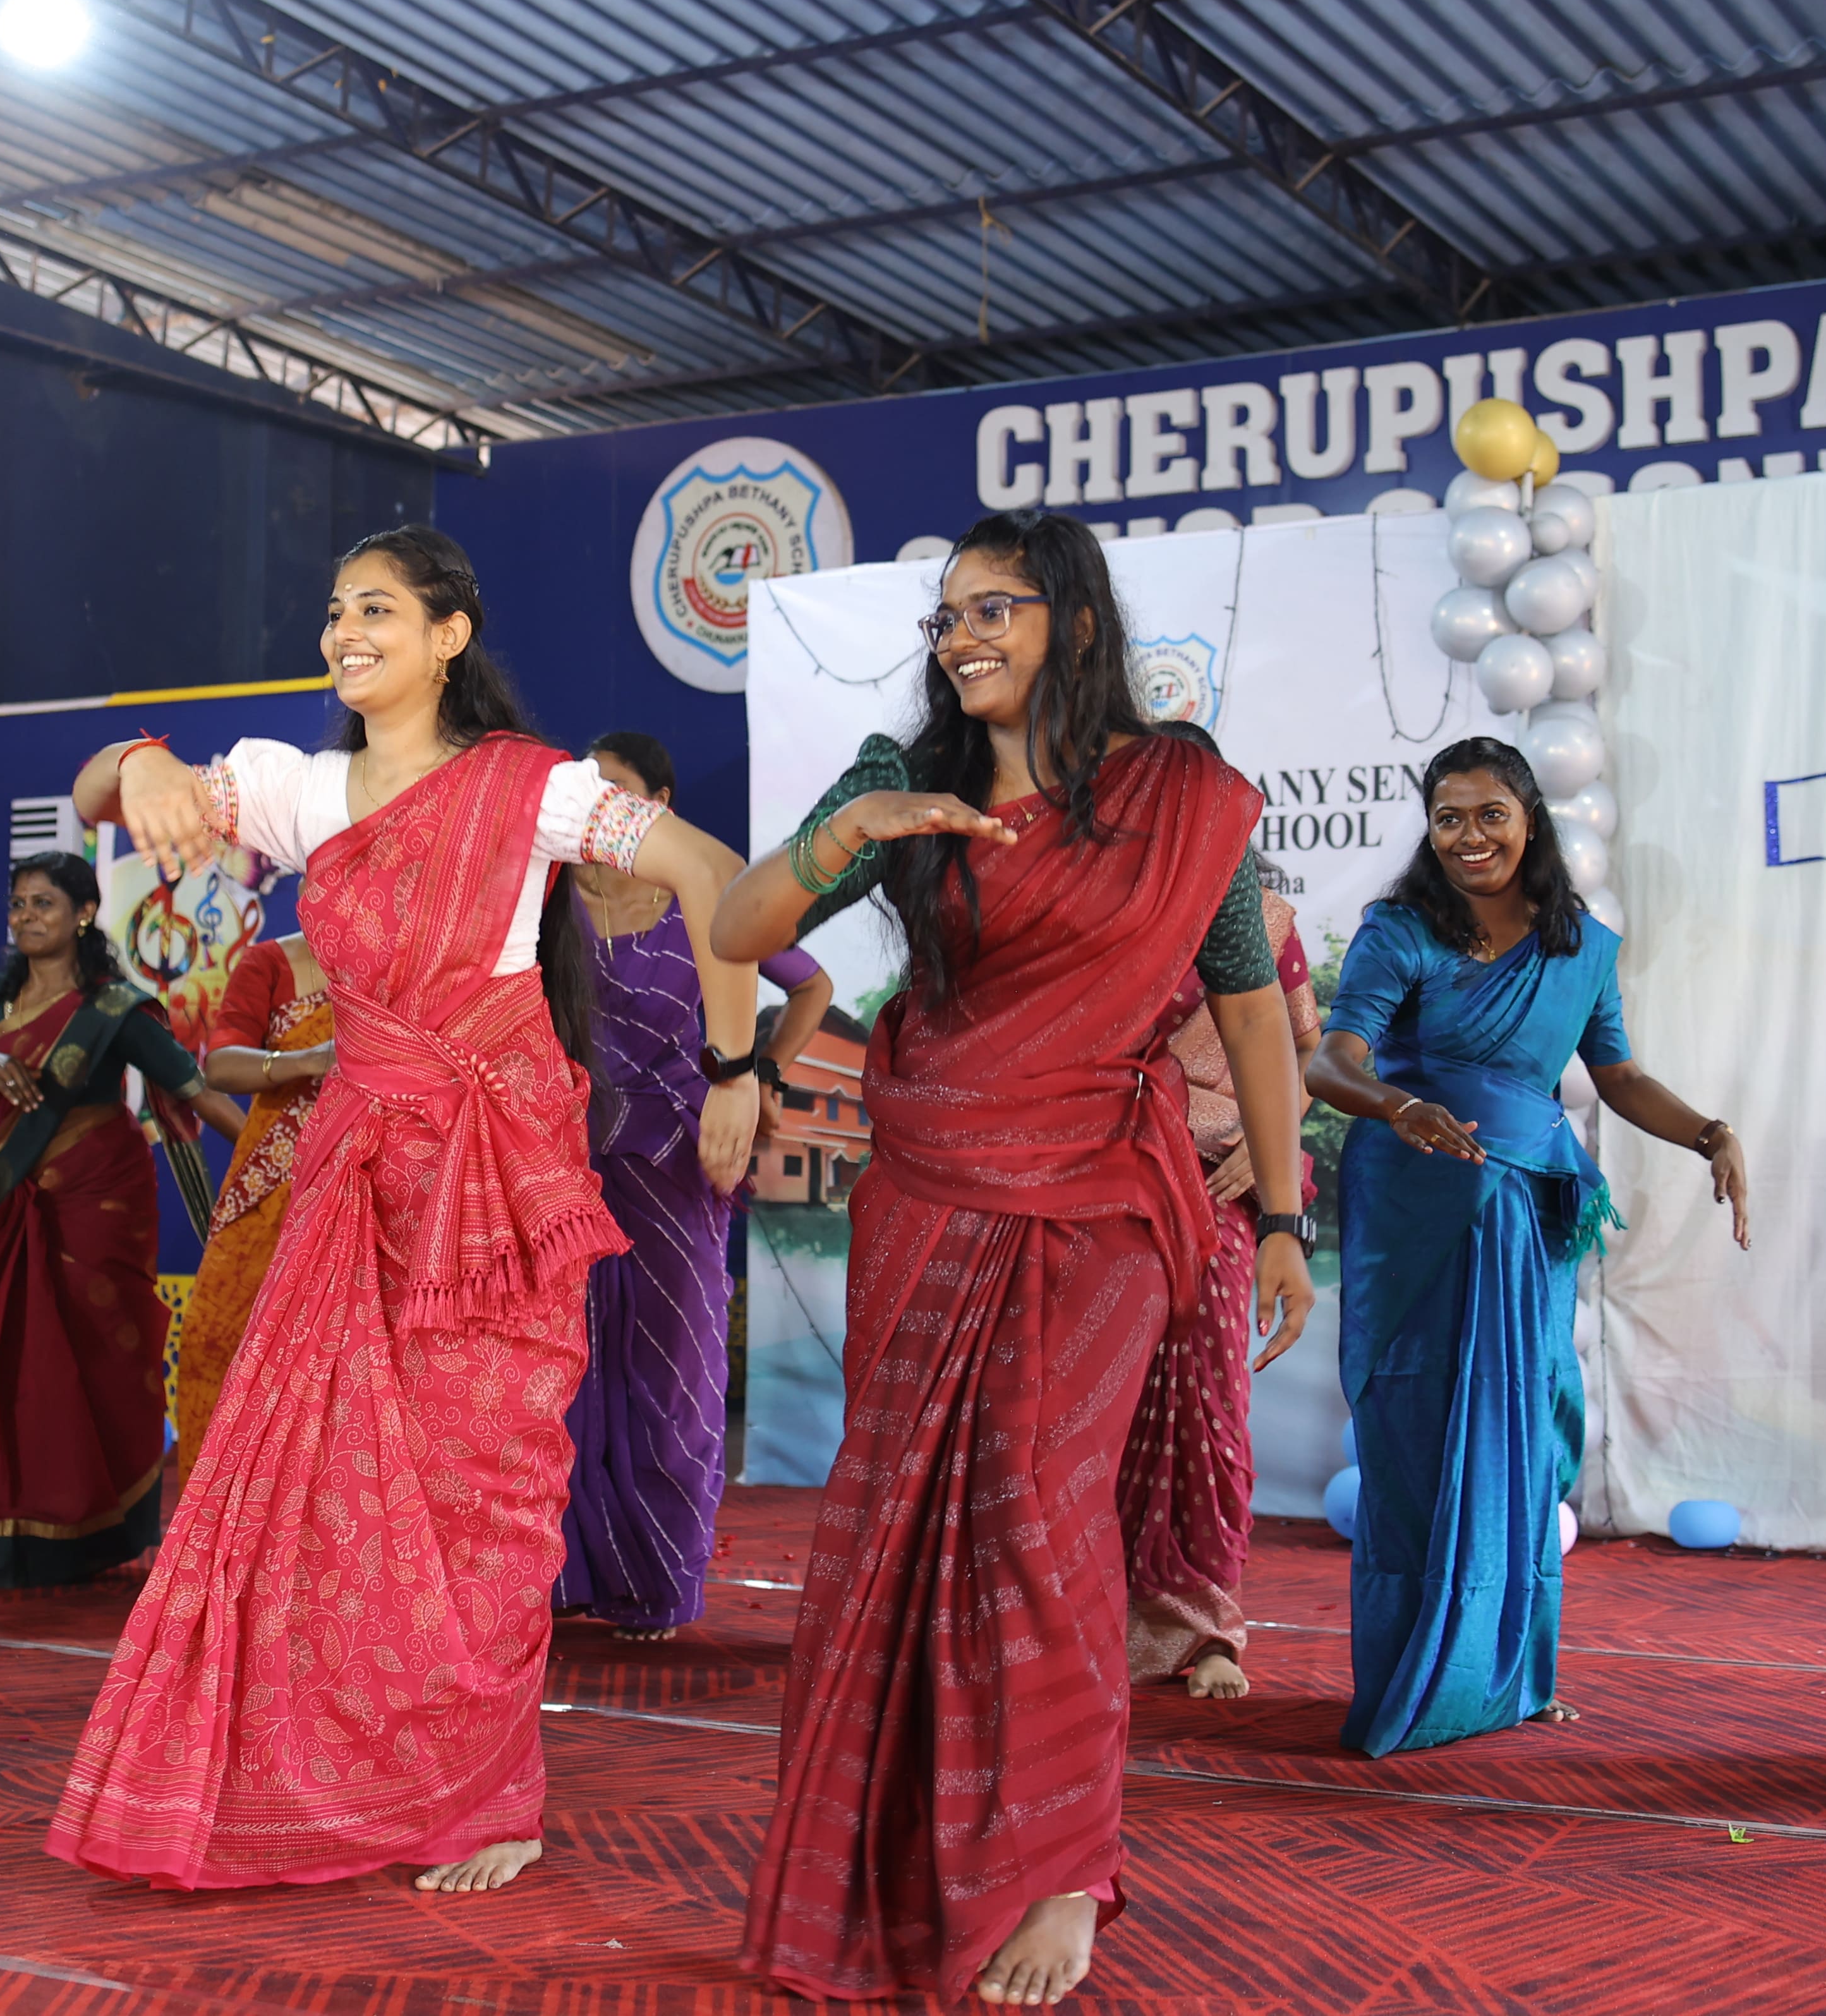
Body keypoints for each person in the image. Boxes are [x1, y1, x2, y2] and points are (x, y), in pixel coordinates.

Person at [46, 524, 763, 1897]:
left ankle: (489, 1795)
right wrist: (138, 764)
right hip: (361, 1173)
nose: (345, 632)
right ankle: (338, 1770)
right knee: (331, 1488)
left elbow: (708, 870)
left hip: (497, 1174)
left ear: (448, 637)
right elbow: (94, 793)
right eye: (334, 610)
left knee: (485, 1490)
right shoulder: (301, 790)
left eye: (376, 608)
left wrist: (734, 1069)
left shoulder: (531, 788)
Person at [715, 508, 1315, 2009]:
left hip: (1100, 1202)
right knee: (903, 1523)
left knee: (1038, 1513)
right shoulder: (900, 779)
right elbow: (736, 923)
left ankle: (1060, 1866)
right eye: (949, 613)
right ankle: (912, 1840)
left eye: (999, 606)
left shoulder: (1179, 795)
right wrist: (857, 827)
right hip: (927, 1191)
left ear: (1077, 623)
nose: (964, 634)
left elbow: (1250, 1011)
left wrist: (1284, 1215)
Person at [1306, 737, 1745, 1758]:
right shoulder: (1399, 932)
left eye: (1490, 814)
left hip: (1528, 1213)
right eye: (1448, 817)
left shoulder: (1582, 946)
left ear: (1530, 819)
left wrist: (1710, 1134)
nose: (1470, 836)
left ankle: (1509, 1674)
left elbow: (1618, 1076)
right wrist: (1398, 1104)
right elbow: (1331, 1062)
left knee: (1521, 1427)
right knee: (1419, 1432)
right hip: (1418, 1206)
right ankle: (1418, 1675)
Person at [0, 852, 243, 1589]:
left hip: (100, 1202)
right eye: (18, 904)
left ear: (83, 914)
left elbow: (195, 1091)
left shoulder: (114, 1008)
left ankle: (83, 1528)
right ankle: (6, 1527)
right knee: (12, 1353)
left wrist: (284, 1153)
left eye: (42, 903)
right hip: (17, 1194)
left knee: (92, 1356)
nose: (25, 917)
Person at [553, 728, 833, 1643]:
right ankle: (566, 1574)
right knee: (564, 1365)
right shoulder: (547, 899)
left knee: (675, 1368)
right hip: (561, 1163)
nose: (598, 807)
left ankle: (661, 1582)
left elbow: (812, 986)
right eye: (587, 790)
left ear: (661, 806)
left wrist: (759, 1078)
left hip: (679, 1162)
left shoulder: (705, 893)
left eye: (618, 791)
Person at [1116, 883, 1319, 1701]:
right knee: (1088, 1399)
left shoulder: (1257, 918)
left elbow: (1302, 1055)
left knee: (1207, 1403)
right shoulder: (1105, 895)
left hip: (1219, 1179)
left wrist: (1268, 1151)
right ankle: (1081, 1617)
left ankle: (1205, 1629)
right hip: (1099, 1168)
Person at [169, 925, 328, 1471]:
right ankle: (216, 1511)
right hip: (270, 1187)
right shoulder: (271, 963)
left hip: (363, 1181)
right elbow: (221, 1065)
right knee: (217, 1340)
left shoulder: (400, 963)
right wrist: (309, 1060)